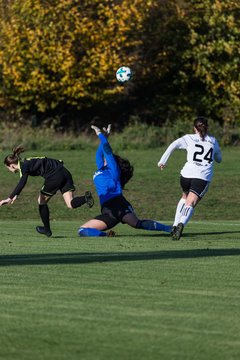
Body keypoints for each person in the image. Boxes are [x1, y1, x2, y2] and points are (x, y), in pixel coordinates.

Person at [78, 124, 171, 237]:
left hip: (116, 204)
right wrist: (105, 137)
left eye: (106, 158)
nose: (103, 158)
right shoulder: (101, 168)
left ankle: (170, 229)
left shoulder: (113, 169)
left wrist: (100, 135)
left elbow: (106, 150)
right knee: (82, 230)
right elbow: (99, 153)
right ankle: (107, 235)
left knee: (136, 223)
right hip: (108, 209)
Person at [0, 146, 94, 237]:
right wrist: (17, 194)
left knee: (41, 201)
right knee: (70, 204)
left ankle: (47, 229)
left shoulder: (24, 166)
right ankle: (85, 198)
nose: (9, 170)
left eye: (8, 168)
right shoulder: (27, 161)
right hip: (64, 172)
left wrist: (9, 198)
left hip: (54, 176)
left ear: (11, 165)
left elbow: (22, 183)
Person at [158, 117, 222, 240]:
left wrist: (163, 161)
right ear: (207, 128)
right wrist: (217, 157)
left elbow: (173, 145)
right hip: (202, 177)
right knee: (190, 203)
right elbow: (219, 159)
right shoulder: (213, 141)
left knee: (184, 197)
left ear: (194, 128)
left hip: (186, 175)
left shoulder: (188, 138)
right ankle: (181, 224)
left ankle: (174, 225)